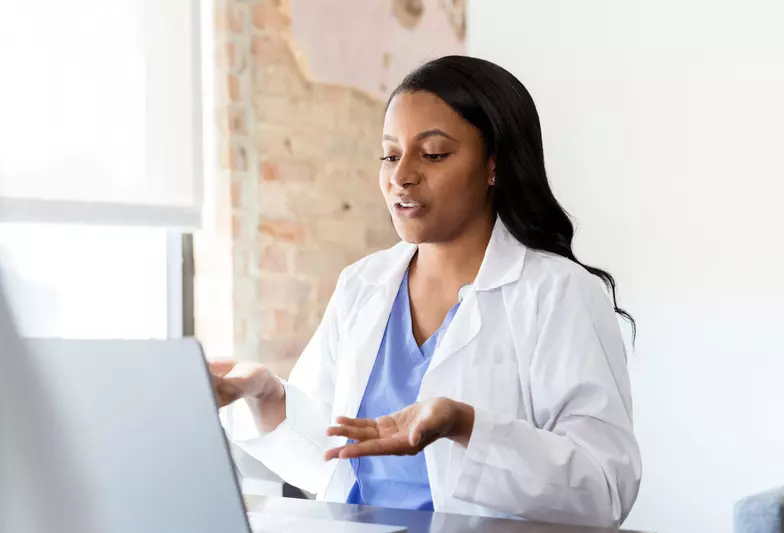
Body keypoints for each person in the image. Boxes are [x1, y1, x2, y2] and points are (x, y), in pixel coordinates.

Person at [211, 55, 641, 528]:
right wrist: (266, 396)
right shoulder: (362, 286)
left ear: (494, 167)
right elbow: (332, 460)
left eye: (432, 154)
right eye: (390, 155)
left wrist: (465, 426)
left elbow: (604, 489)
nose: (402, 176)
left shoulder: (559, 293)